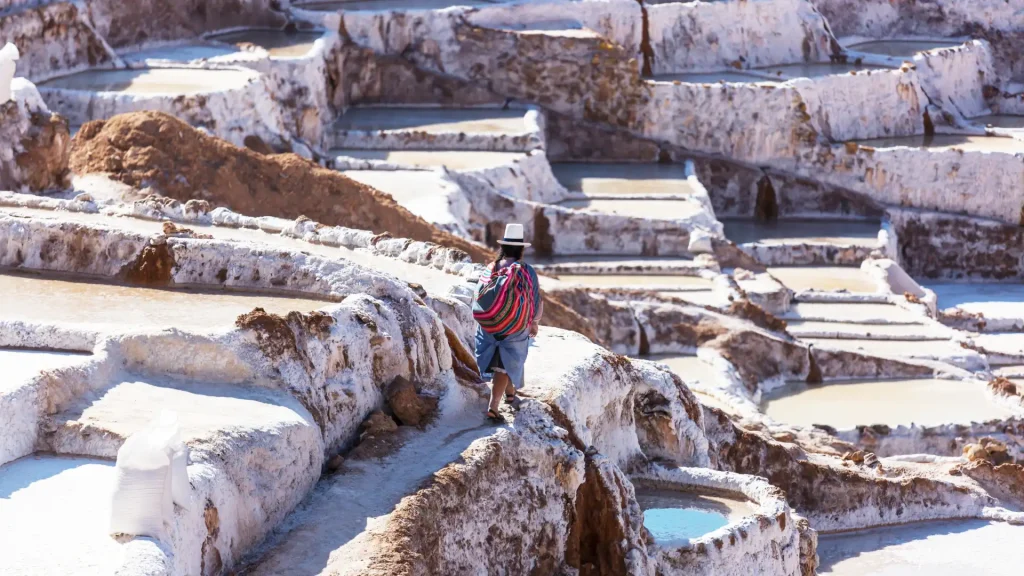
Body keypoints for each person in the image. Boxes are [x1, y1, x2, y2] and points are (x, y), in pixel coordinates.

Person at [473, 223, 543, 420]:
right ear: (521, 249)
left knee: (503, 360)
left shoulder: (491, 268)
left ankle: (511, 396)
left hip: (489, 325)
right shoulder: (526, 271)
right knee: (506, 363)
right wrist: (534, 322)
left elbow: (478, 296)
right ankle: (494, 407)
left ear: (502, 248)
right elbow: (535, 299)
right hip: (514, 327)